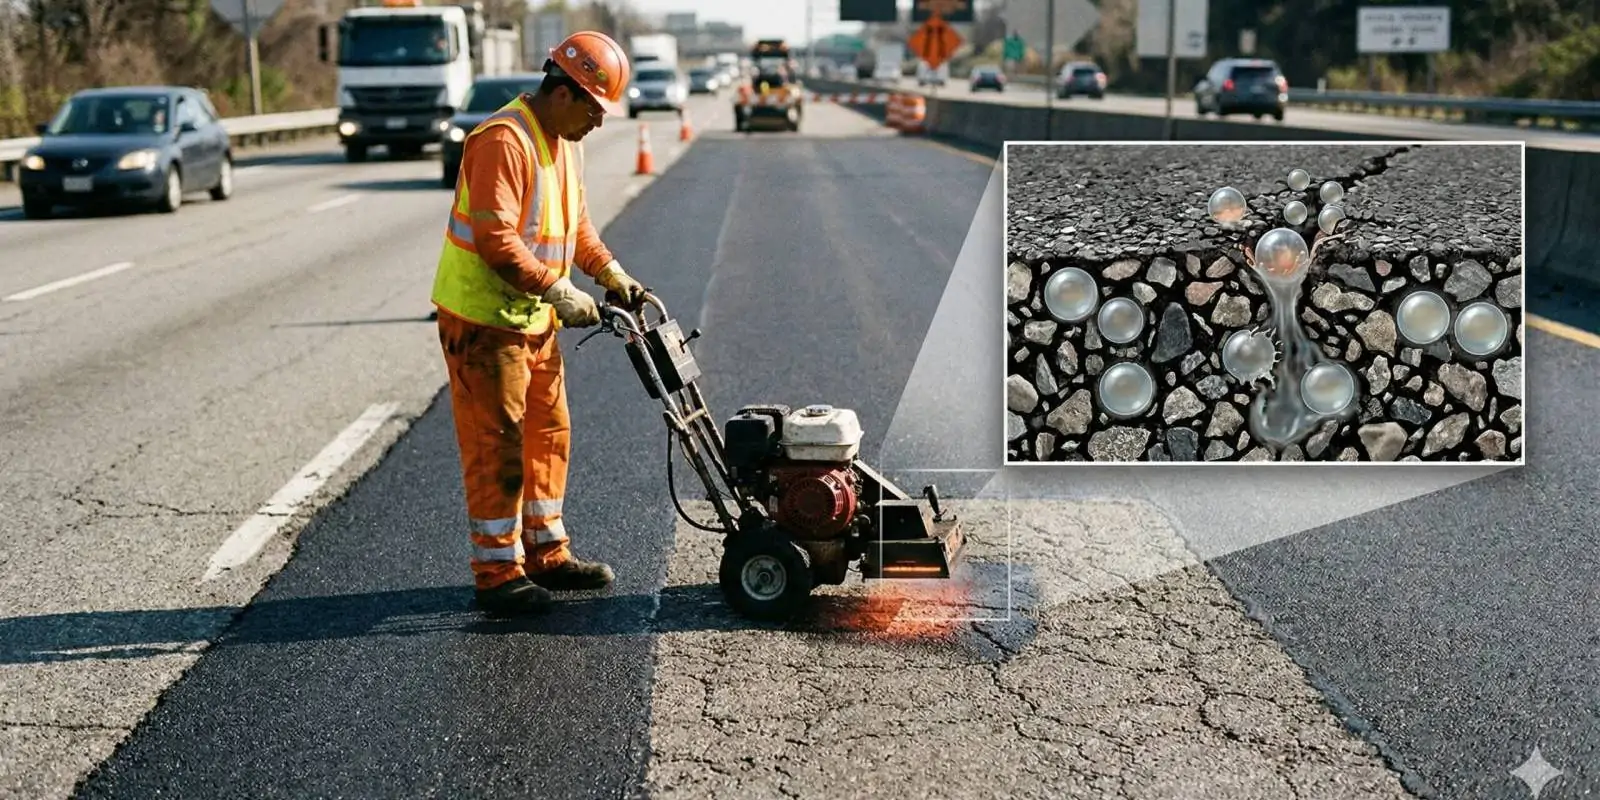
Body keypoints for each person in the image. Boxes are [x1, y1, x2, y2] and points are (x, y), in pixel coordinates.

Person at [430, 30, 646, 616]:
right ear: (564, 93)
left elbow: (575, 227)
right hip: (483, 321)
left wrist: (613, 275)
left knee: (548, 433)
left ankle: (546, 552)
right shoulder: (503, 140)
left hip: (531, 317)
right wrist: (559, 290)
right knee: (496, 444)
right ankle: (497, 571)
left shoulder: (562, 141)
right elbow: (497, 240)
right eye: (595, 112)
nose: (598, 125)